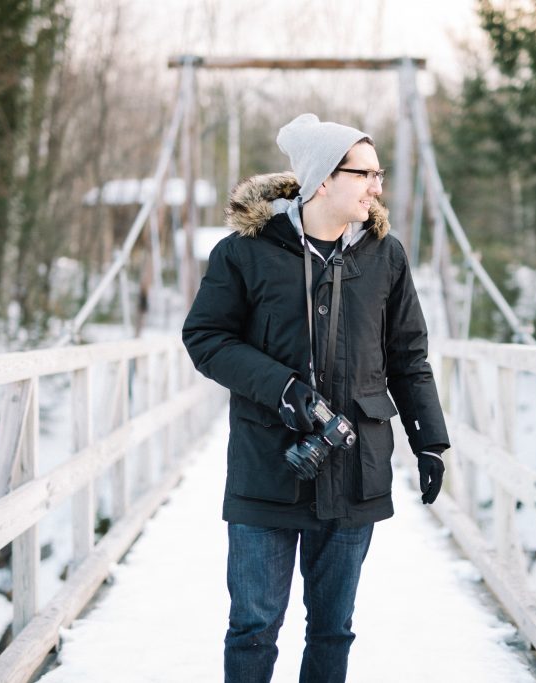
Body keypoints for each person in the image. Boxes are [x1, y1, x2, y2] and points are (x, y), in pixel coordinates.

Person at [182, 113, 450, 683]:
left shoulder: (385, 255)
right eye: (366, 174)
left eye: (379, 174)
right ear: (324, 178)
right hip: (267, 468)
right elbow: (205, 338)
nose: (378, 187)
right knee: (253, 628)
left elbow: (408, 356)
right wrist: (282, 389)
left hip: (357, 469)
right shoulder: (243, 253)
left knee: (333, 629)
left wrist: (430, 441)